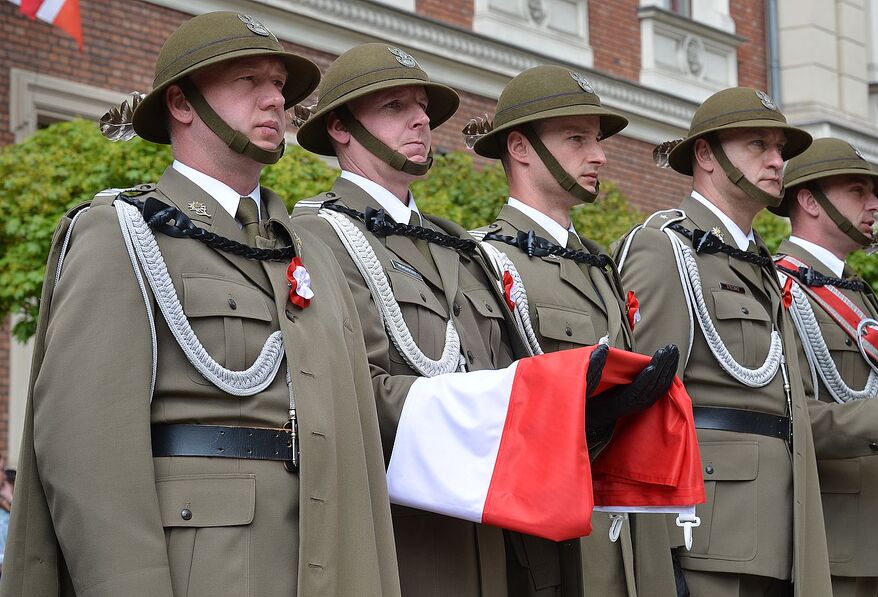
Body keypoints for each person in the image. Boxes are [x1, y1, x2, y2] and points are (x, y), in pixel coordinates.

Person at [0, 12, 401, 597]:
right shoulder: (123, 232)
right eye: (249, 81)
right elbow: (86, 454)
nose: (276, 99)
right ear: (182, 104)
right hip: (203, 570)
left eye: (279, 84)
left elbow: (354, 436)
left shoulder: (311, 250)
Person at [291, 45, 683, 597]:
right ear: (340, 127)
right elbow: (351, 395)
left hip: (487, 534)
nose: (421, 120)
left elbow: (504, 372)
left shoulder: (455, 247)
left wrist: (590, 411)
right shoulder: (316, 237)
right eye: (395, 106)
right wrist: (506, 405)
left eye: (423, 107)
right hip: (407, 535)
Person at [467, 64, 679, 596]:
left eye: (597, 139)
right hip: (549, 544)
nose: (599, 155)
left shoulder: (600, 266)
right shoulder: (483, 260)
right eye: (577, 139)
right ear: (520, 147)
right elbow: (488, 409)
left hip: (625, 540)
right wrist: (588, 413)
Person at [614, 87, 834, 596]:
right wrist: (660, 554)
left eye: (779, 149)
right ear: (706, 155)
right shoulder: (663, 247)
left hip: (781, 532)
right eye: (758, 144)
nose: (777, 161)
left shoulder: (759, 263)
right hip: (706, 534)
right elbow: (642, 409)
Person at [769, 138, 878, 596]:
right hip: (836, 541)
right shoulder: (778, 287)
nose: (876, 205)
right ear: (810, 201)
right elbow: (788, 418)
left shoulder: (859, 295)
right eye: (858, 191)